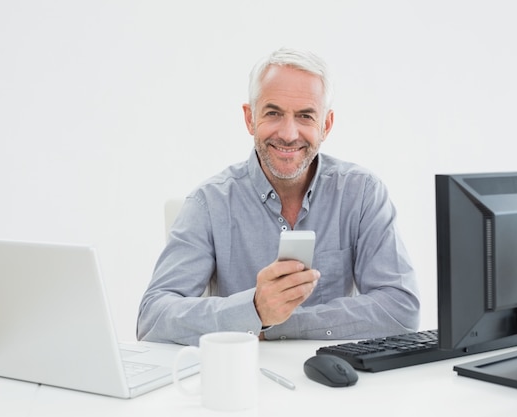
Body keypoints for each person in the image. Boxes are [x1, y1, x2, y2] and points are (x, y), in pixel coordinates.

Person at [137, 48, 420, 346]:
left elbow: (401, 310)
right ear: (250, 118)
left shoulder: (362, 194)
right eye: (273, 113)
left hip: (339, 387)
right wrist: (255, 308)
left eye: (305, 116)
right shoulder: (209, 204)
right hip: (246, 380)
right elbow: (152, 319)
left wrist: (275, 323)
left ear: (326, 125)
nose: (288, 133)